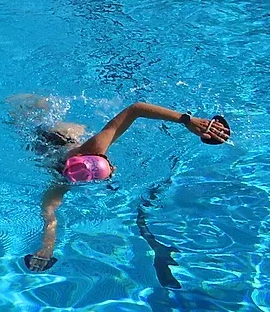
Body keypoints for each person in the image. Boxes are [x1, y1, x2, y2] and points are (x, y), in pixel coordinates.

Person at [24, 101, 231, 272]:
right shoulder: (61, 183)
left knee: (66, 126)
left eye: (108, 166)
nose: (114, 168)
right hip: (43, 131)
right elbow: (49, 215)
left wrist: (188, 120)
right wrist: (46, 248)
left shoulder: (92, 149)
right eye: (110, 171)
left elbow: (137, 108)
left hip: (53, 131)